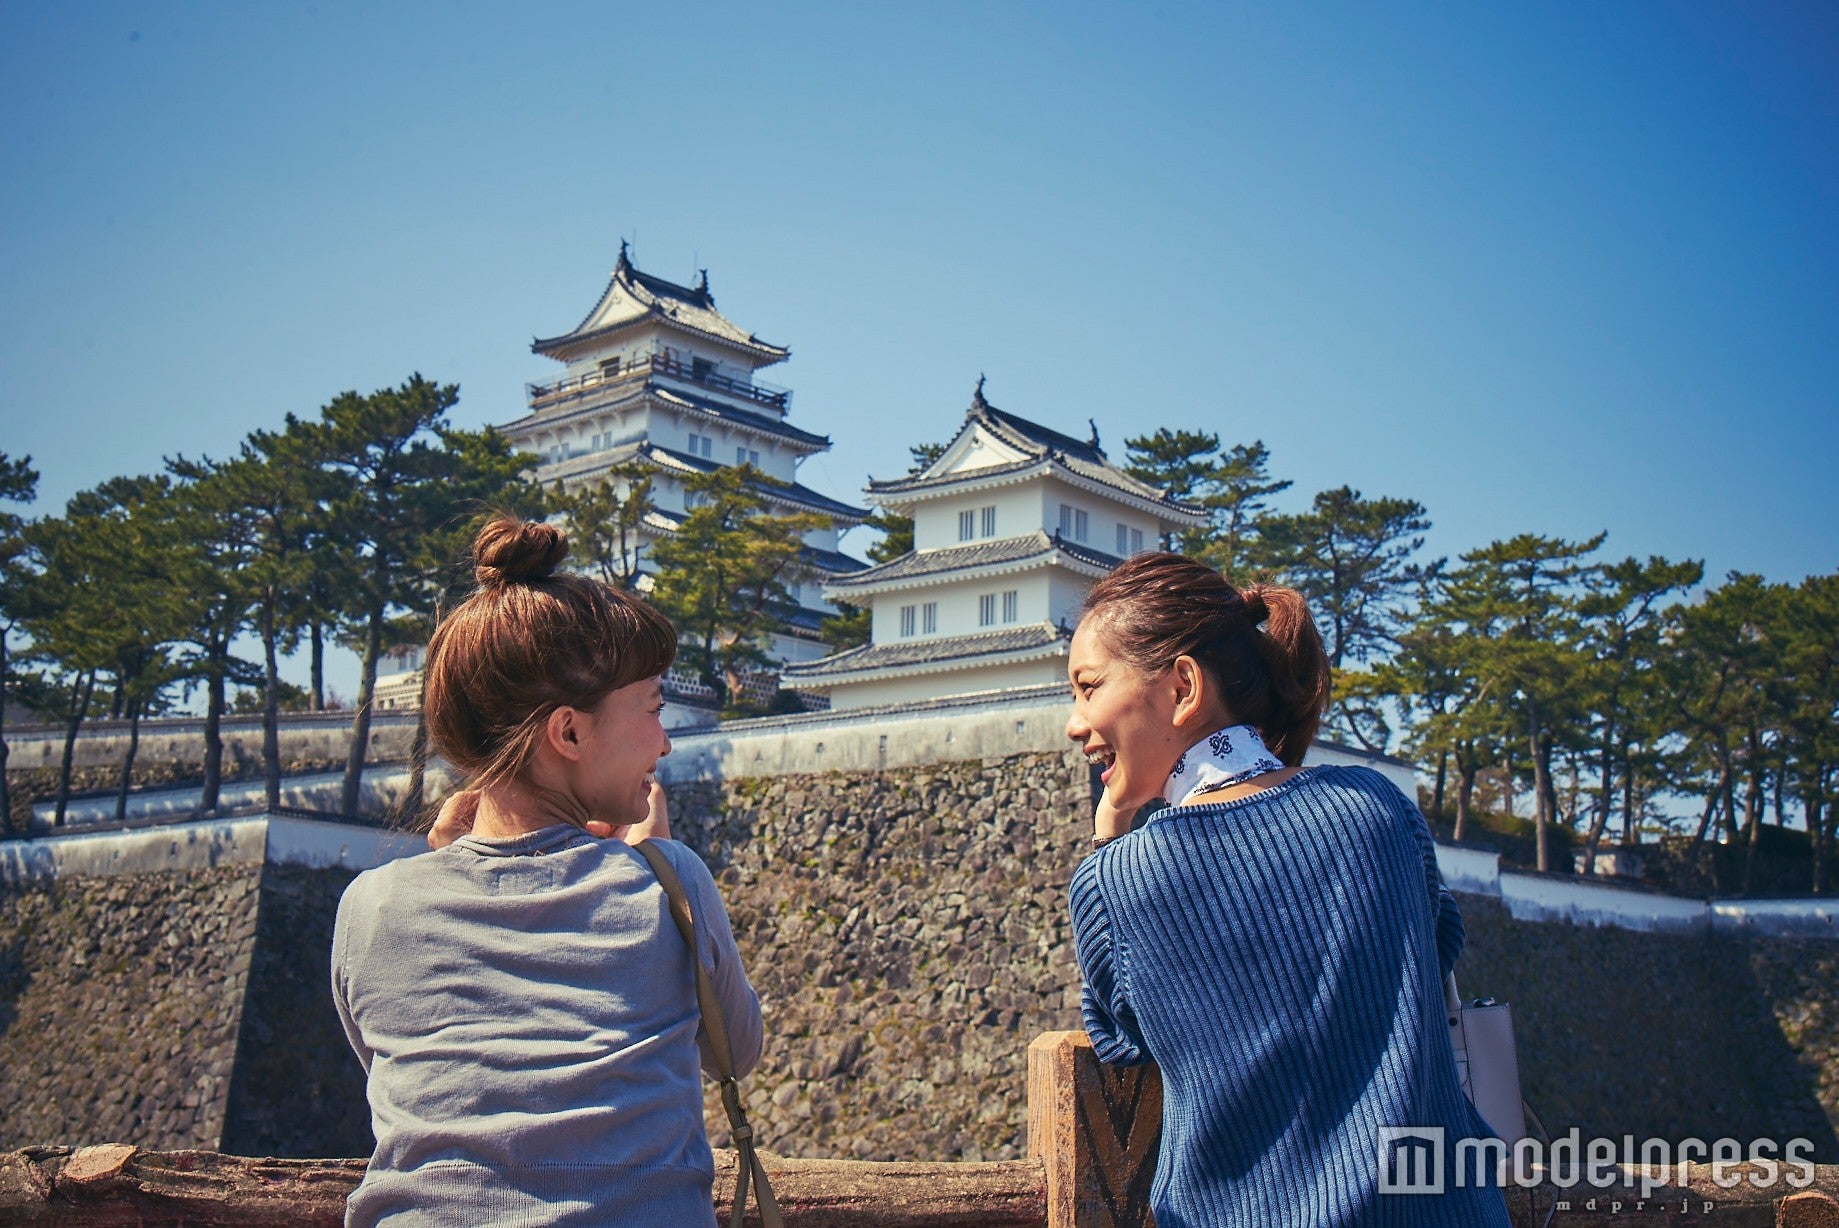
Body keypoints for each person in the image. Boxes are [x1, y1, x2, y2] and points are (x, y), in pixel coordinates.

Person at [331, 514, 762, 1227]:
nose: (664, 742)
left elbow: (415, 1081)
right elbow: (734, 1053)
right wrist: (655, 861)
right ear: (567, 731)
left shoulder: (372, 906)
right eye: (653, 710)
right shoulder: (665, 883)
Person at [1064, 552, 1509, 1227]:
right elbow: (1435, 946)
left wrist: (1110, 839)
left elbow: (1123, 1041)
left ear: (1183, 686)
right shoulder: (1377, 807)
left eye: (1088, 687)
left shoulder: (1117, 878)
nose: (1074, 721)